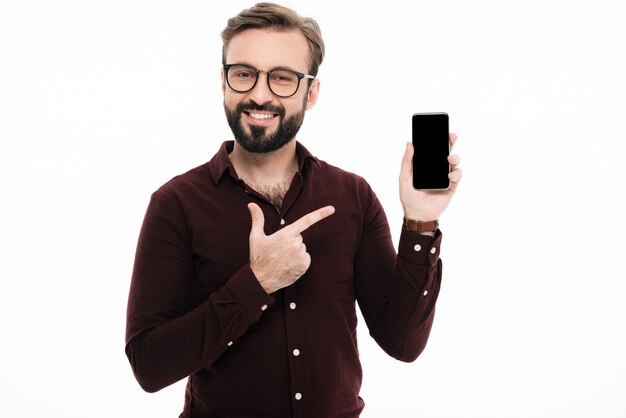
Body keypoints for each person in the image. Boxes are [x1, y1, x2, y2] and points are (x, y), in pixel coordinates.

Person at [125, 2, 462, 417]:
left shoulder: (353, 196)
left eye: (282, 78)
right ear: (224, 82)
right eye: (244, 74)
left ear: (311, 91)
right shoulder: (175, 204)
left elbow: (403, 344)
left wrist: (421, 222)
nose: (260, 94)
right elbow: (149, 365)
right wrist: (257, 282)